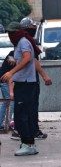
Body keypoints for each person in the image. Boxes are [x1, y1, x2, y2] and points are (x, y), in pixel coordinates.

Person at [0, 22, 42, 156]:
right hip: (23, 83)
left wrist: (11, 72)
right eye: (9, 33)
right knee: (22, 115)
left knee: (22, 116)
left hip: (25, 84)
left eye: (13, 33)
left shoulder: (23, 42)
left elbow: (28, 58)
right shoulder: (19, 43)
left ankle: (28, 144)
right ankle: (28, 143)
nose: (10, 35)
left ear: (19, 32)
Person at [18, 17, 52, 140]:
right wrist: (44, 75)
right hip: (30, 79)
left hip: (24, 79)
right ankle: (33, 131)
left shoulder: (22, 40)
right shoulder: (27, 41)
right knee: (31, 106)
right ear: (27, 28)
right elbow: (33, 60)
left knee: (25, 107)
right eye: (32, 27)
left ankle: (26, 130)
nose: (34, 28)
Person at [0, 51, 15, 131]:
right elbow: (10, 76)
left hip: (4, 80)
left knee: (6, 103)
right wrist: (11, 91)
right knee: (11, 102)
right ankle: (9, 124)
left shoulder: (11, 55)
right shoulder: (14, 57)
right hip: (6, 81)